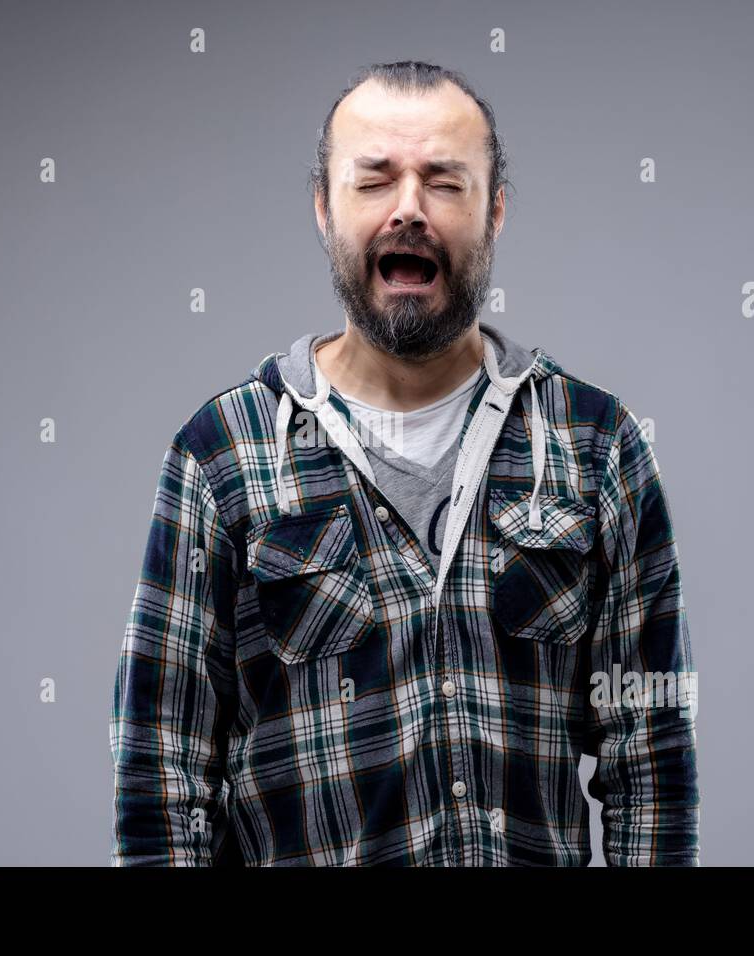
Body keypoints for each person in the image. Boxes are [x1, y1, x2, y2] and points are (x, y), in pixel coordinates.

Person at [109, 60, 699, 866]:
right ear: (325, 208)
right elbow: (160, 777)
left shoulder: (596, 445)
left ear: (494, 212)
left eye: (445, 184)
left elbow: (651, 761)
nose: (409, 210)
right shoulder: (223, 456)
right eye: (375, 181)